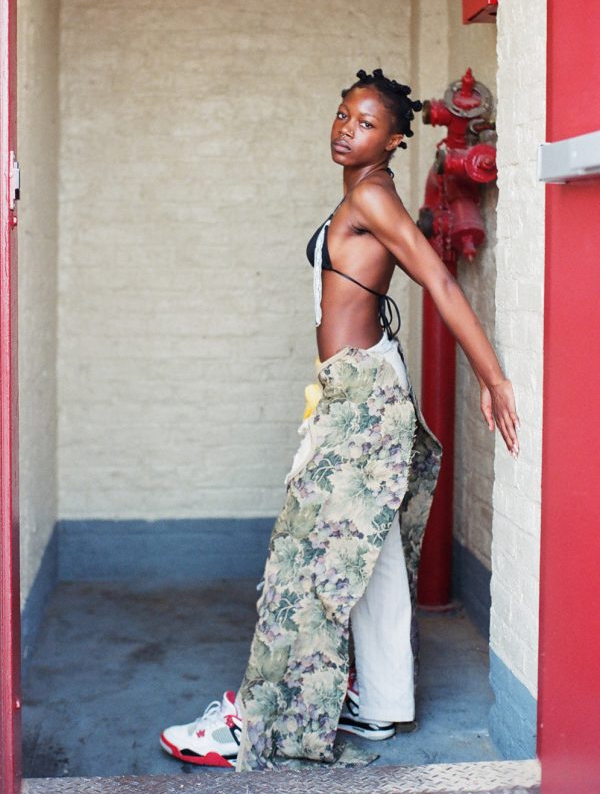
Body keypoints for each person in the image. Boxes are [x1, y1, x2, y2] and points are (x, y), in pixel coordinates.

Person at [159, 68, 519, 772]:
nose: (347, 130)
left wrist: (493, 377)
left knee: (305, 557)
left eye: (366, 123)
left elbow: (439, 279)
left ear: (394, 140)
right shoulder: (362, 191)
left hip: (361, 399)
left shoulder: (373, 195)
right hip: (354, 385)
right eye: (343, 115)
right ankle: (382, 701)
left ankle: (262, 721)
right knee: (371, 552)